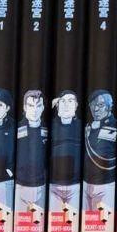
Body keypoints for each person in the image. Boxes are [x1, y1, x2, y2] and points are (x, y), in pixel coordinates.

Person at [82, 89, 117, 218]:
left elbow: (104, 154)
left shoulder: (114, 126)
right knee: (89, 221)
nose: (96, 109)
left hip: (105, 184)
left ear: (109, 106)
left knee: (103, 221)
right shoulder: (88, 126)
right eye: (93, 105)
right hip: (87, 183)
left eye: (101, 105)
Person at [48, 91, 81, 220]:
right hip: (53, 185)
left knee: (70, 222)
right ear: (57, 106)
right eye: (63, 101)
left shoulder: (81, 127)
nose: (66, 104)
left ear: (76, 105)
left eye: (70, 101)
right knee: (56, 221)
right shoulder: (50, 126)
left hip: (75, 186)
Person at [14, 89, 49, 216]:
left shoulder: (47, 129)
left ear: (43, 108)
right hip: (21, 184)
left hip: (41, 185)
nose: (34, 110)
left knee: (37, 221)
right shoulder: (17, 128)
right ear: (24, 107)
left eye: (38, 106)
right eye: (30, 105)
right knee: (21, 220)